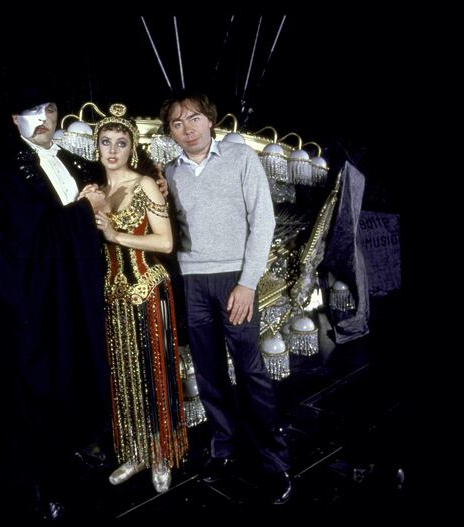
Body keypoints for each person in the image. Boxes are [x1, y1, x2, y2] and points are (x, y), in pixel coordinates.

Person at [160, 90, 292, 505]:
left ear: (210, 120)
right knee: (209, 372)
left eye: (194, 118)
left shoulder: (240, 159)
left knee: (250, 371)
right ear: (170, 133)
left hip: (235, 280)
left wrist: (248, 282)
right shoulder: (169, 172)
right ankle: (223, 447)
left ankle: (274, 460)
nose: (188, 129)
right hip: (193, 283)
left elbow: (264, 221)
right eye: (177, 124)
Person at [0, 91, 111, 520]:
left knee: (73, 372)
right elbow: (27, 238)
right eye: (33, 113)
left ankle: (76, 451)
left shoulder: (71, 160)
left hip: (70, 292)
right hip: (31, 301)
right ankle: (40, 484)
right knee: (37, 384)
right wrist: (83, 209)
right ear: (16, 118)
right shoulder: (5, 170)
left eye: (51, 110)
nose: (44, 119)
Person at [88, 104, 189, 494]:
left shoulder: (145, 184)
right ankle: (135, 451)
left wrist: (116, 236)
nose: (113, 150)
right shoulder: (97, 191)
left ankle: (162, 454)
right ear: (96, 147)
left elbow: (165, 242)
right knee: (125, 376)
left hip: (149, 289)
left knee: (154, 373)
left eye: (121, 143)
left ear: (132, 148)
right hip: (113, 295)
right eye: (106, 142)